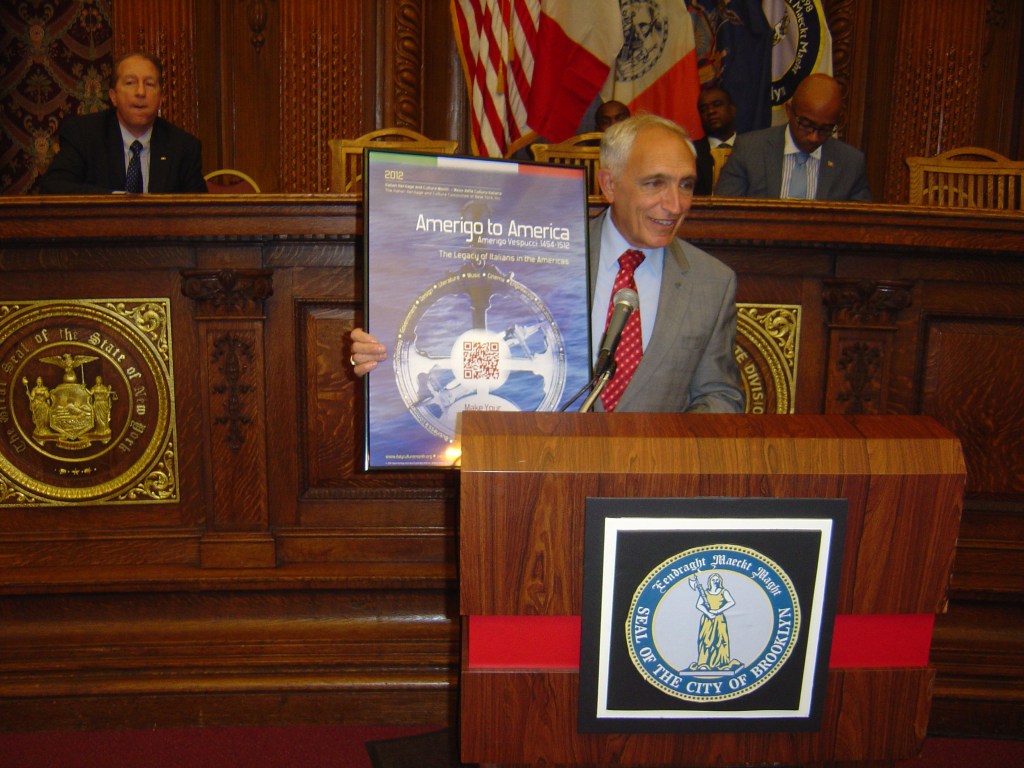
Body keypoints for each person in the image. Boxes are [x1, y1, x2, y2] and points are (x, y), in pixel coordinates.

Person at [351, 114, 744, 414]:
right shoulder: (538, 256)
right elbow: (468, 340)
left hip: (648, 494)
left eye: (686, 185)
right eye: (655, 183)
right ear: (609, 185)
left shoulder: (712, 283)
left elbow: (719, 394)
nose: (675, 205)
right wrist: (383, 354)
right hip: (539, 483)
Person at [39, 51, 207, 195]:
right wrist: (115, 200)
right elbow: (54, 187)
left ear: (161, 98)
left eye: (149, 84)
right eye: (130, 83)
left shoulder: (183, 146)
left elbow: (198, 211)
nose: (140, 92)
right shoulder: (83, 135)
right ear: (113, 96)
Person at [715, 73, 872, 202]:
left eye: (825, 129)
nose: (814, 137)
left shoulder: (851, 163)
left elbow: (860, 228)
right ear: (789, 110)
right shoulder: (749, 150)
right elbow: (726, 214)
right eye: (805, 124)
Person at [693, 86, 738, 196]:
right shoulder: (690, 152)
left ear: (732, 110)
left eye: (717, 105)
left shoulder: (753, 149)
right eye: (703, 109)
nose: (710, 111)